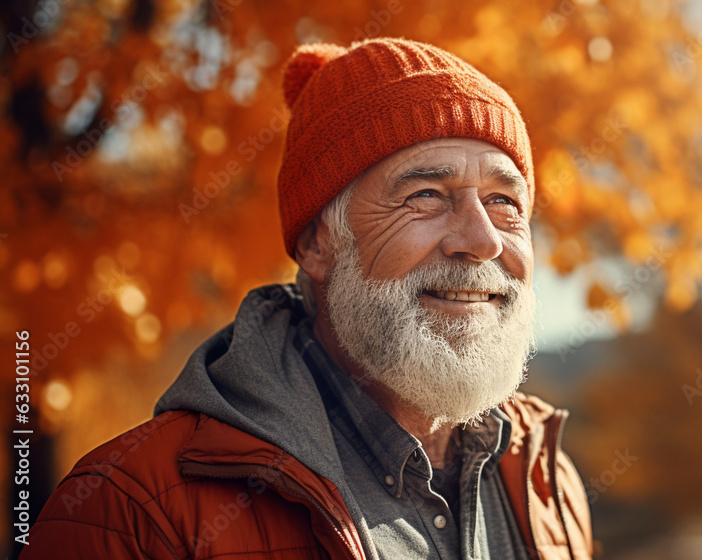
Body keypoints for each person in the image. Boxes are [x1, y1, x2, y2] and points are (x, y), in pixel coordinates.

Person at [23, 38, 593, 560]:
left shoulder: (546, 480)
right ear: (320, 243)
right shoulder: (133, 511)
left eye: (504, 202)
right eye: (425, 195)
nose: (483, 239)